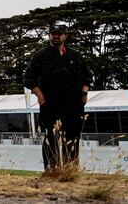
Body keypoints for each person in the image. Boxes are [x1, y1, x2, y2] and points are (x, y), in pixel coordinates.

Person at [23, 24, 93, 172]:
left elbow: (88, 77)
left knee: (72, 139)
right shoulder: (40, 55)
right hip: (51, 105)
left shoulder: (75, 56)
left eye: (59, 34)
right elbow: (29, 79)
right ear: (49, 36)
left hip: (74, 105)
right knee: (51, 139)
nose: (56, 36)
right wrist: (40, 97)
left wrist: (85, 93)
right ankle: (51, 171)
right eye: (53, 34)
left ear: (65, 36)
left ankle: (70, 171)